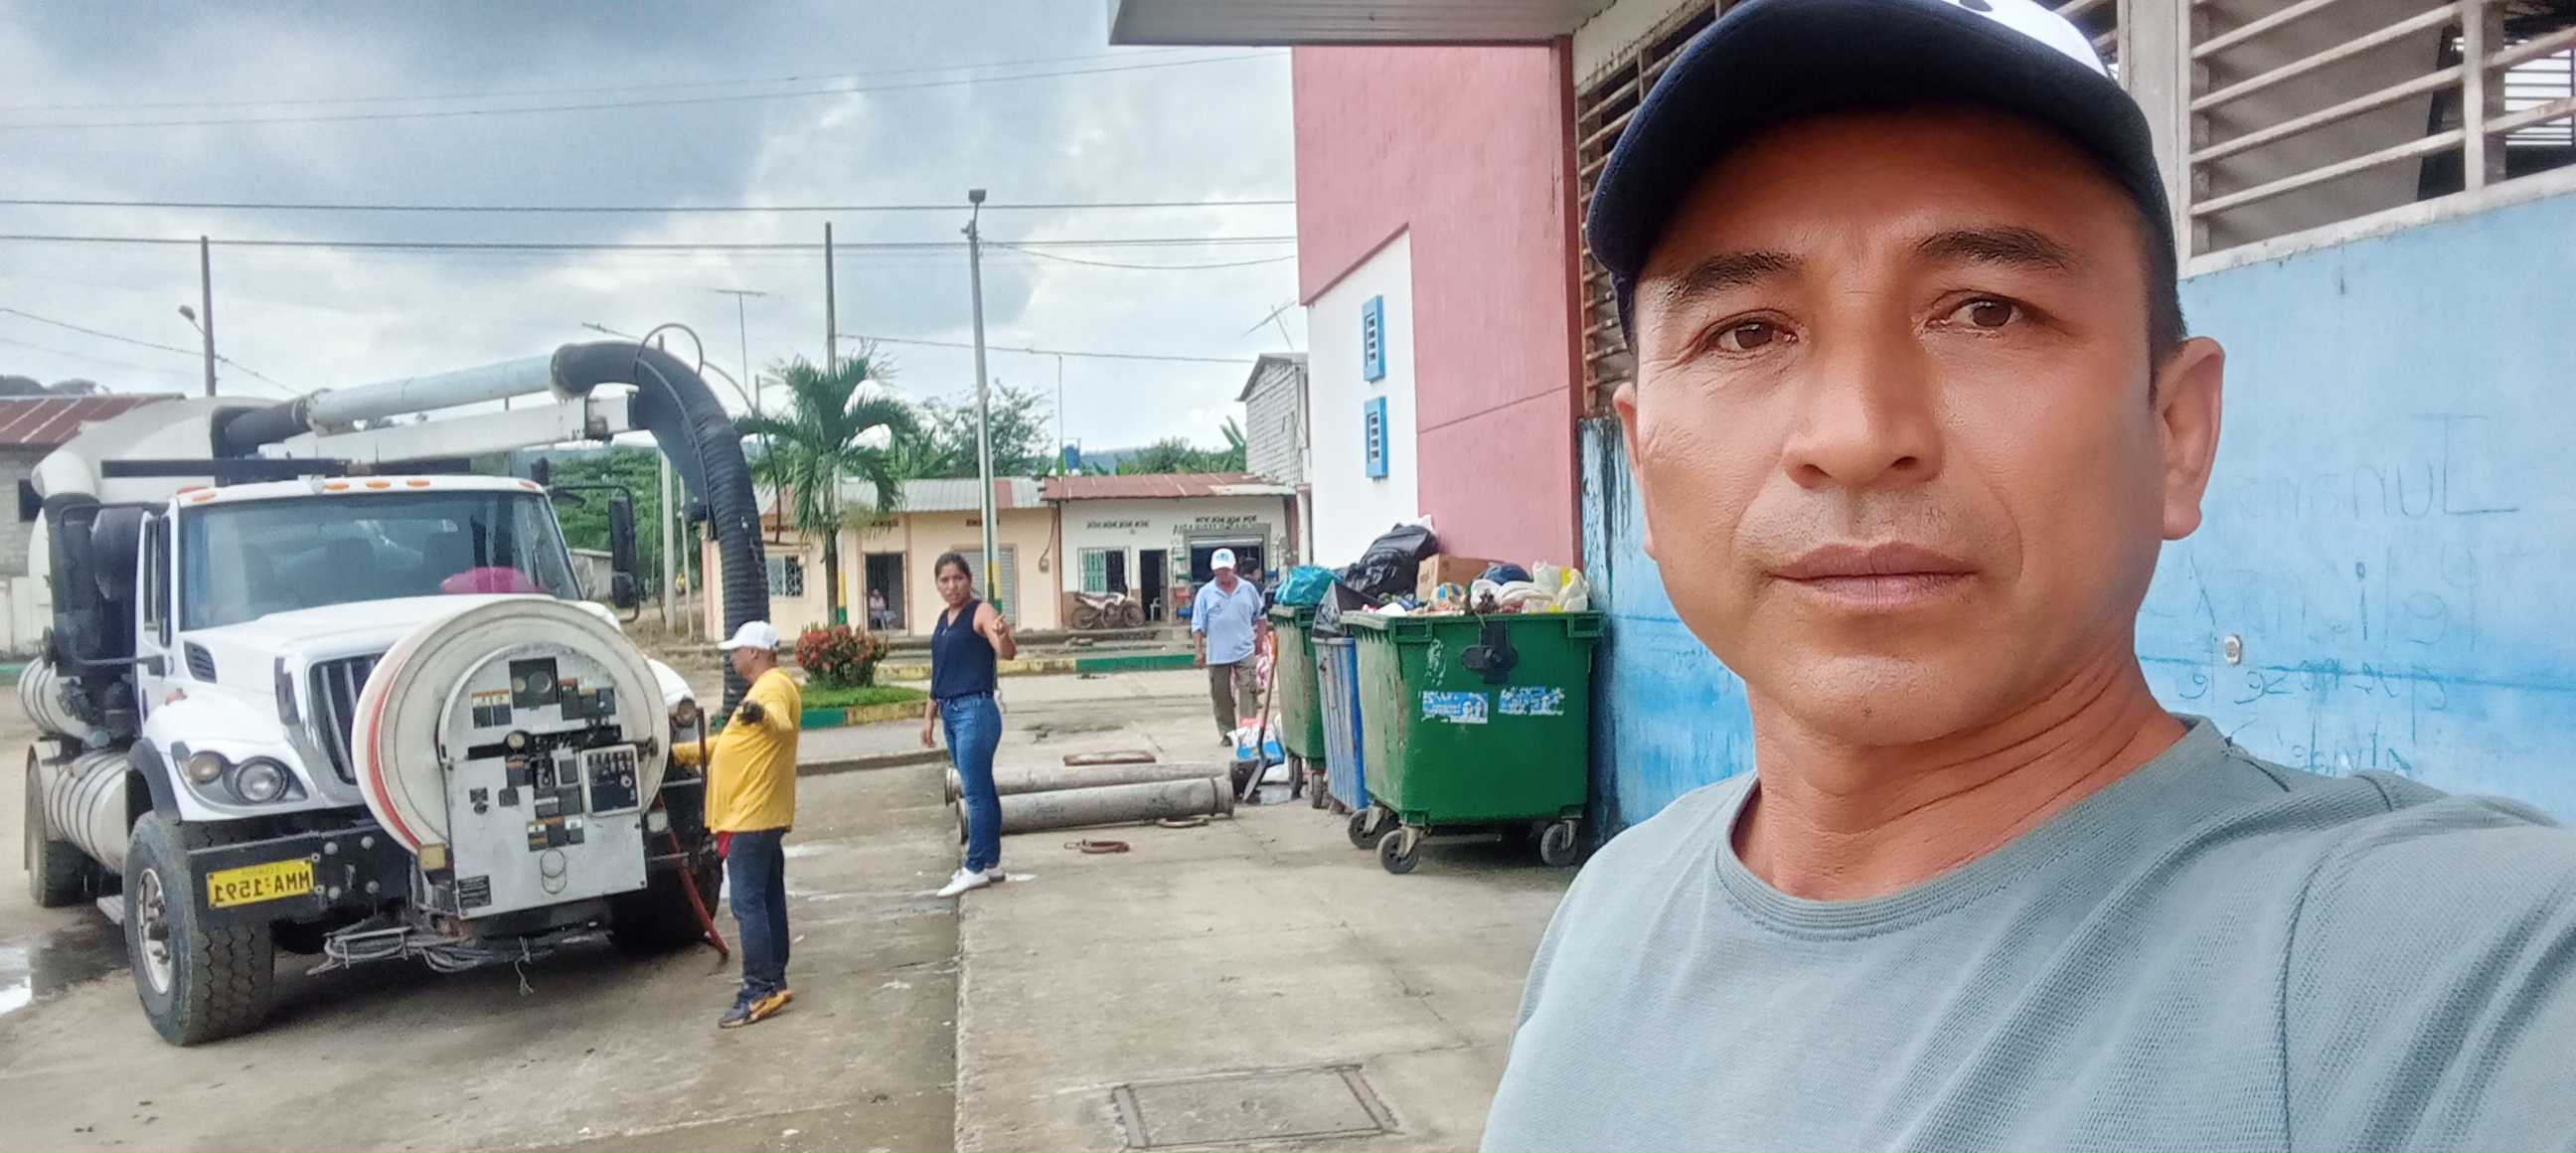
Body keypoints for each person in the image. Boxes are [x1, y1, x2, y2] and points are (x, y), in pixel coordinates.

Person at [1481, 0, 2576, 1149]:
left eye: (1987, 310)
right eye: (1747, 332)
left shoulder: (2449, 974)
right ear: (1642, 462)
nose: (1856, 434)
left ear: (2176, 432)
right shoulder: (1611, 907)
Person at [698, 619, 801, 1029]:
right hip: (760, 814)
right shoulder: (765, 687)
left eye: (736, 651)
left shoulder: (771, 688)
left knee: (747, 904)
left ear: (754, 653)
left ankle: (758, 989)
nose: (732, 658)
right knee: (767, 898)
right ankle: (774, 981)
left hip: (751, 815)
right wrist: (681, 752)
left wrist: (761, 713)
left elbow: (780, 722)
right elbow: (730, 745)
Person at [922, 552, 1016, 897]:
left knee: (974, 794)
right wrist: (929, 715)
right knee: (983, 789)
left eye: (957, 578)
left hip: (975, 711)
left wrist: (1003, 635)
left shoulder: (981, 612)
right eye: (944, 580)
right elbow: (940, 671)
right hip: (950, 711)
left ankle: (974, 866)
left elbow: (1006, 652)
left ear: (969, 580)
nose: (951, 586)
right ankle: (990, 862)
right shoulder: (944, 619)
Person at [1189, 548, 1268, 745]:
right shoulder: (1205, 593)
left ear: (1234, 568)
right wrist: (1199, 652)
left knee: (1248, 691)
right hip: (1218, 653)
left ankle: (1247, 731)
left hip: (1244, 649)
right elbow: (1197, 625)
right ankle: (1227, 733)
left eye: (1226, 569)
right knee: (1220, 695)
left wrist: (1259, 641)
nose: (1222, 573)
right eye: (1218, 570)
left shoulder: (1247, 589)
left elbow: (1261, 616)